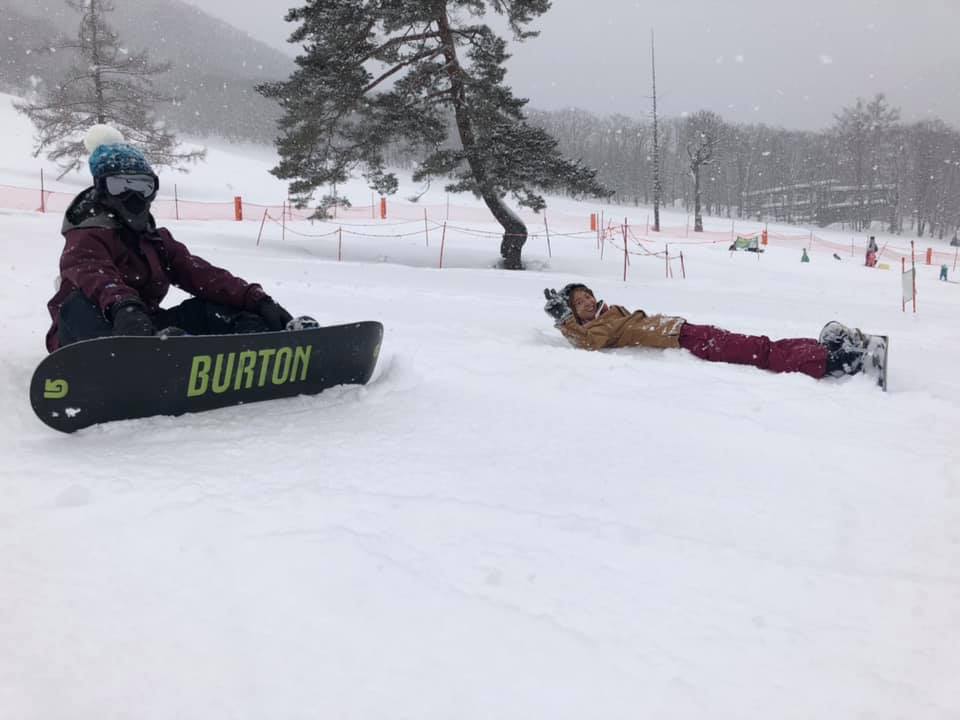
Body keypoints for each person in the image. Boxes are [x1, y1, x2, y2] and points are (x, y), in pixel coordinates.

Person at [46, 125, 295, 352]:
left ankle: (257, 344)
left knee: (215, 309)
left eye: (142, 187)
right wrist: (124, 306)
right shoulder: (86, 236)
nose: (132, 196)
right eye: (119, 186)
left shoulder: (155, 240)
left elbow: (200, 274)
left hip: (147, 329)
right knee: (79, 305)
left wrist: (256, 300)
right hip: (94, 331)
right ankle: (124, 358)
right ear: (101, 189)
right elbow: (95, 276)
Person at [542, 283, 873, 381]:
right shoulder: (594, 329)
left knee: (760, 344)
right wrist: (563, 321)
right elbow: (587, 344)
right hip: (686, 340)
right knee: (760, 353)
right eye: (578, 302)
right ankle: (836, 362)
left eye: (587, 295)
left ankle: (820, 348)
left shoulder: (609, 313)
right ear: (573, 313)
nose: (587, 301)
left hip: (688, 330)